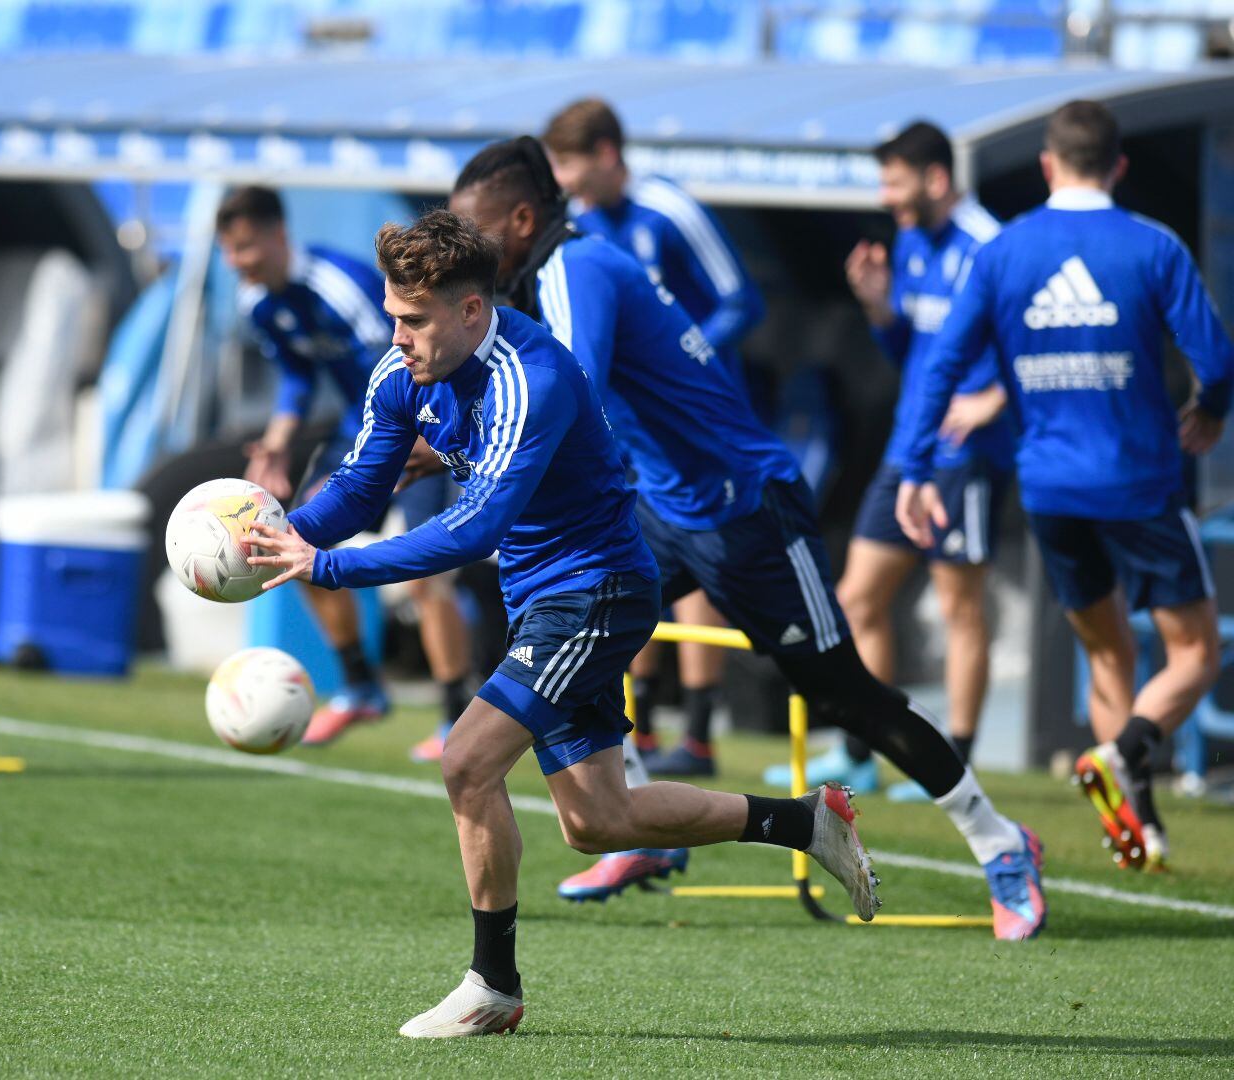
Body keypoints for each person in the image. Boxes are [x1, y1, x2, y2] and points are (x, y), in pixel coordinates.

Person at [246, 209, 881, 1038]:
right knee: (598, 823)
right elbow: (364, 485)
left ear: (472, 311)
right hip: (545, 600)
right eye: (395, 316)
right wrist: (285, 531)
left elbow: (470, 531)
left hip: (600, 593)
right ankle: (805, 821)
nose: (396, 337)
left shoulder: (531, 377)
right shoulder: (402, 374)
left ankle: (493, 985)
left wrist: (328, 566)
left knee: (467, 763)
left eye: (413, 320)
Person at [448, 137, 1044, 941]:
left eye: (477, 228)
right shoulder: (540, 275)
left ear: (522, 220)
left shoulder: (576, 270)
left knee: (842, 694)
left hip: (743, 508)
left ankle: (1001, 842)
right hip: (664, 505)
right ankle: (634, 820)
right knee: (569, 609)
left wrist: (454, 447)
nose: (470, 248)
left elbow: (572, 396)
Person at [898, 100, 1234, 872]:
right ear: (1118, 166)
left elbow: (939, 367)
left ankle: (1140, 829)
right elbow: (1215, 360)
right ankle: (1123, 755)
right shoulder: (1151, 245)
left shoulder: (1004, 252)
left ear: (1047, 165)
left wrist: (916, 469)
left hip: (1048, 490)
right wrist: (1210, 412)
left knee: (1108, 651)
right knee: (1197, 655)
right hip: (1138, 484)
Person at [790, 122, 1015, 802]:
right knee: (858, 599)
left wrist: (993, 399)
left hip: (964, 457)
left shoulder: (989, 245)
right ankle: (863, 753)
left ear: (936, 179)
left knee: (959, 608)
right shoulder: (912, 242)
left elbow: (1030, 335)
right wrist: (879, 308)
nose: (886, 196)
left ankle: (960, 763)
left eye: (895, 181)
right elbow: (910, 356)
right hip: (908, 449)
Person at [545, 97, 767, 777]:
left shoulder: (670, 209)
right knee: (626, 552)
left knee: (698, 566)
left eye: (573, 169)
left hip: (697, 428)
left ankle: (699, 734)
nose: (567, 187)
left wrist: (681, 352)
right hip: (624, 430)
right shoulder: (579, 230)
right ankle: (636, 733)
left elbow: (742, 301)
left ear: (608, 154)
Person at [216, 186, 473, 748]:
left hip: (417, 426)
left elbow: (404, 361)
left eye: (244, 248)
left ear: (278, 235)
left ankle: (456, 718)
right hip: (356, 433)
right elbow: (298, 374)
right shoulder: (256, 300)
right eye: (228, 252)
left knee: (430, 575)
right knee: (291, 539)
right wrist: (279, 439)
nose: (237, 263)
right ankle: (361, 686)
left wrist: (431, 440)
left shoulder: (335, 287)